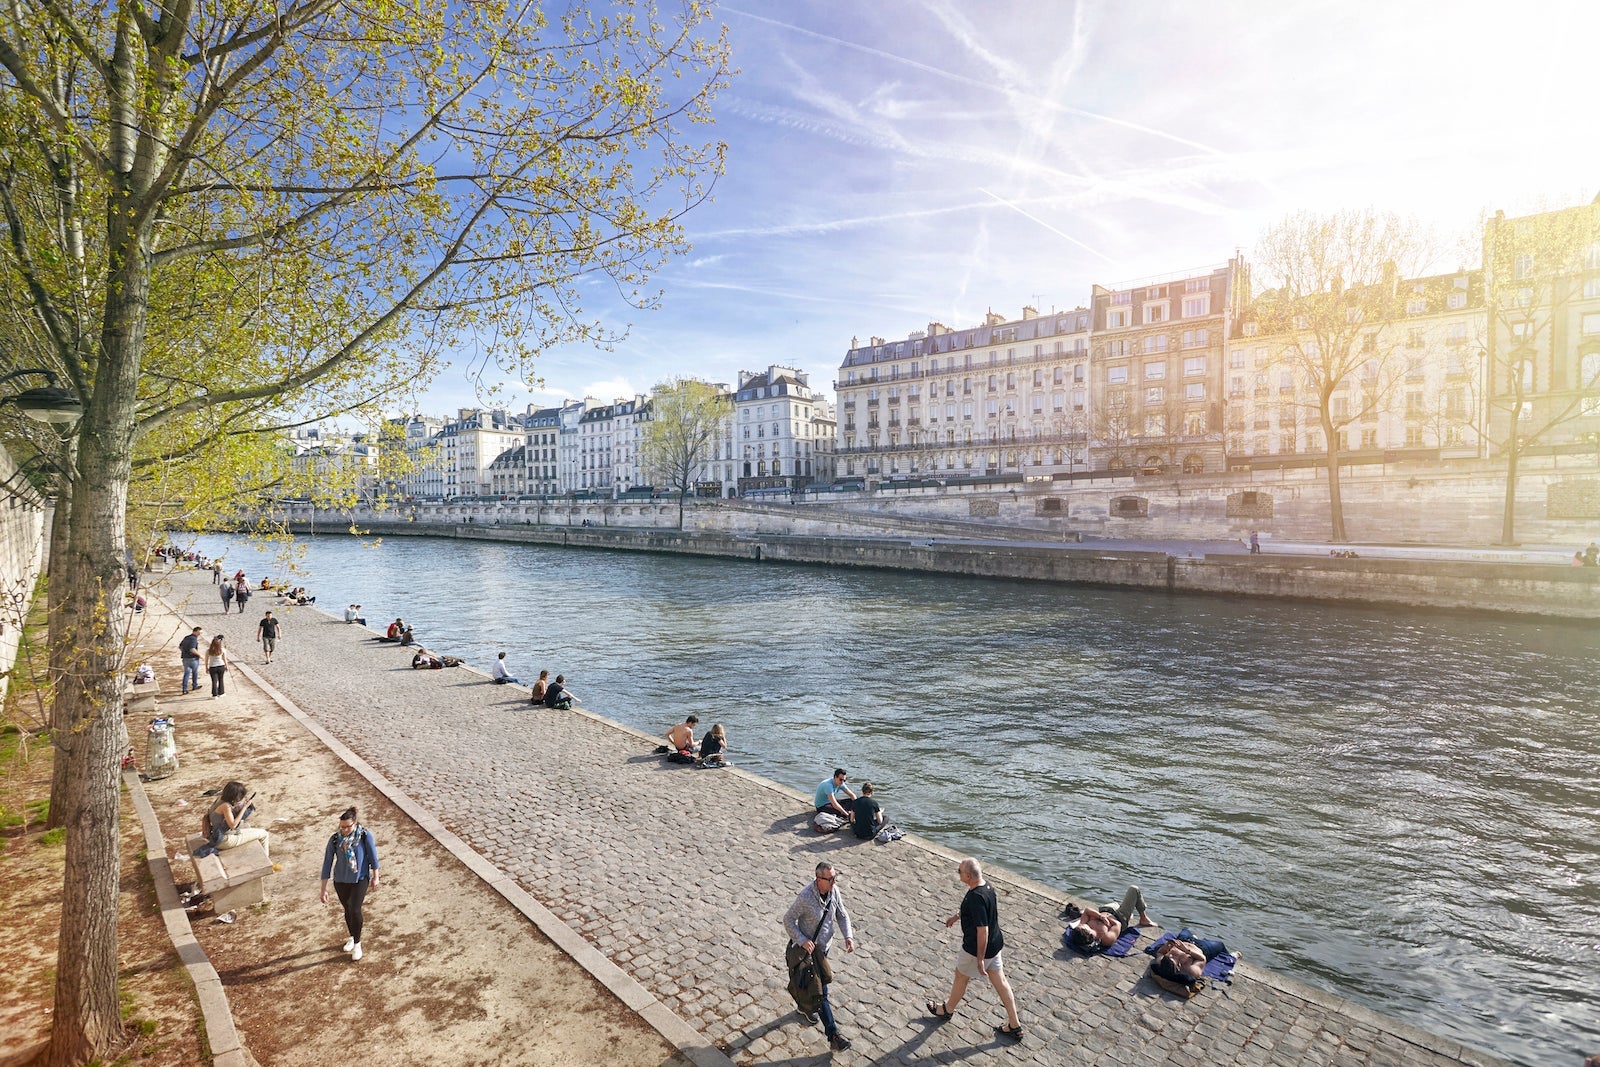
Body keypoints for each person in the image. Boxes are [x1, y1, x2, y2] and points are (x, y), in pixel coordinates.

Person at [926, 858, 1022, 1041]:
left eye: (959, 871)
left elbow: (982, 930)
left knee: (961, 977)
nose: (958, 873)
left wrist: (979, 959)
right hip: (995, 945)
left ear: (968, 876)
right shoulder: (987, 887)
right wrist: (957, 916)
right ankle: (1015, 1025)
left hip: (976, 949)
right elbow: (978, 911)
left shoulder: (975, 897)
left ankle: (946, 1010)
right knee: (1001, 982)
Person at [782, 861, 856, 1053]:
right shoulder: (806, 897)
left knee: (809, 984)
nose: (834, 881)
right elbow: (788, 919)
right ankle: (834, 1036)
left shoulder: (834, 892)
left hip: (823, 950)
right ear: (819, 879)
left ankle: (804, 1006)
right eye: (830, 878)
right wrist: (802, 940)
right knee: (820, 992)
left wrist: (848, 936)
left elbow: (842, 914)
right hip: (808, 952)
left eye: (835, 877)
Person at [320, 806, 379, 962]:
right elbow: (327, 863)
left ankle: (358, 944)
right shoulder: (334, 839)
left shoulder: (365, 836)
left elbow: (373, 857)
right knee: (347, 909)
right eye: (342, 827)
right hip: (341, 880)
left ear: (355, 823)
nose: (345, 830)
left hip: (360, 878)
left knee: (355, 908)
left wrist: (376, 876)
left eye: (348, 826)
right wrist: (323, 889)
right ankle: (352, 936)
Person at [1068, 885, 1155, 952]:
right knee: (1134, 889)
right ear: (1088, 932)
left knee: (1117, 904)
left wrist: (1101, 917)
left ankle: (1127, 909)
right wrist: (1108, 919)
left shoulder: (1083, 926)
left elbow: (1087, 911)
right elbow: (1118, 924)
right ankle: (1143, 918)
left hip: (1106, 909)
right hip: (1120, 916)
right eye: (1082, 926)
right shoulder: (1105, 938)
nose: (1081, 924)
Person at [209, 781, 269, 856]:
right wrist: (244, 807)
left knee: (251, 830)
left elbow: (213, 816)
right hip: (225, 840)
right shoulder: (226, 806)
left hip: (216, 836)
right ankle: (267, 865)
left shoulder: (220, 799)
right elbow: (233, 825)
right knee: (264, 834)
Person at [178, 625, 203, 695]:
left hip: (185, 658)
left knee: (186, 674)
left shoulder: (186, 637)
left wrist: (184, 652)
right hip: (193, 658)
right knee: (195, 672)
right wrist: (199, 655)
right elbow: (192, 649)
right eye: (199, 632)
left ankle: (184, 689)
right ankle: (194, 685)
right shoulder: (193, 639)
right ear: (196, 631)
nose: (200, 634)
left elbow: (180, 646)